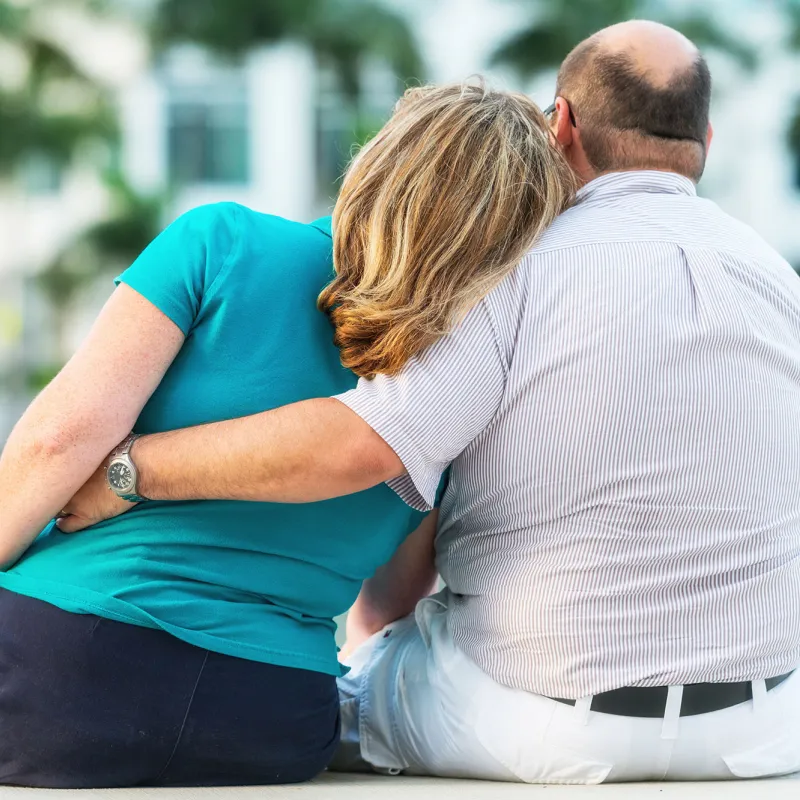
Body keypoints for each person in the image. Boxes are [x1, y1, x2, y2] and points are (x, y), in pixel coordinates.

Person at [57, 20, 800, 784]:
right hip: (765, 726)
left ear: (563, 124)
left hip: (540, 722)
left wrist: (129, 470)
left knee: (340, 689)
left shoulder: (522, 271)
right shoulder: (778, 281)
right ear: (704, 137)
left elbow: (362, 445)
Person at [0, 83, 574, 788]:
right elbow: (390, 601)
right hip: (273, 721)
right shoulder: (454, 396)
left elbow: (57, 444)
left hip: (56, 666)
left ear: (379, 161)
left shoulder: (221, 245)